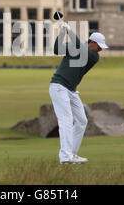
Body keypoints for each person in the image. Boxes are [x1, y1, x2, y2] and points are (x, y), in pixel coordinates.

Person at [49, 22, 108, 164]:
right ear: (92, 42)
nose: (101, 49)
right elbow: (57, 49)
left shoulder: (94, 56)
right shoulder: (78, 47)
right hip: (59, 86)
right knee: (66, 121)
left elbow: (82, 49)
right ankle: (65, 157)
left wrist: (70, 31)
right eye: (99, 46)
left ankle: (71, 154)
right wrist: (63, 32)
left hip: (71, 90)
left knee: (82, 121)